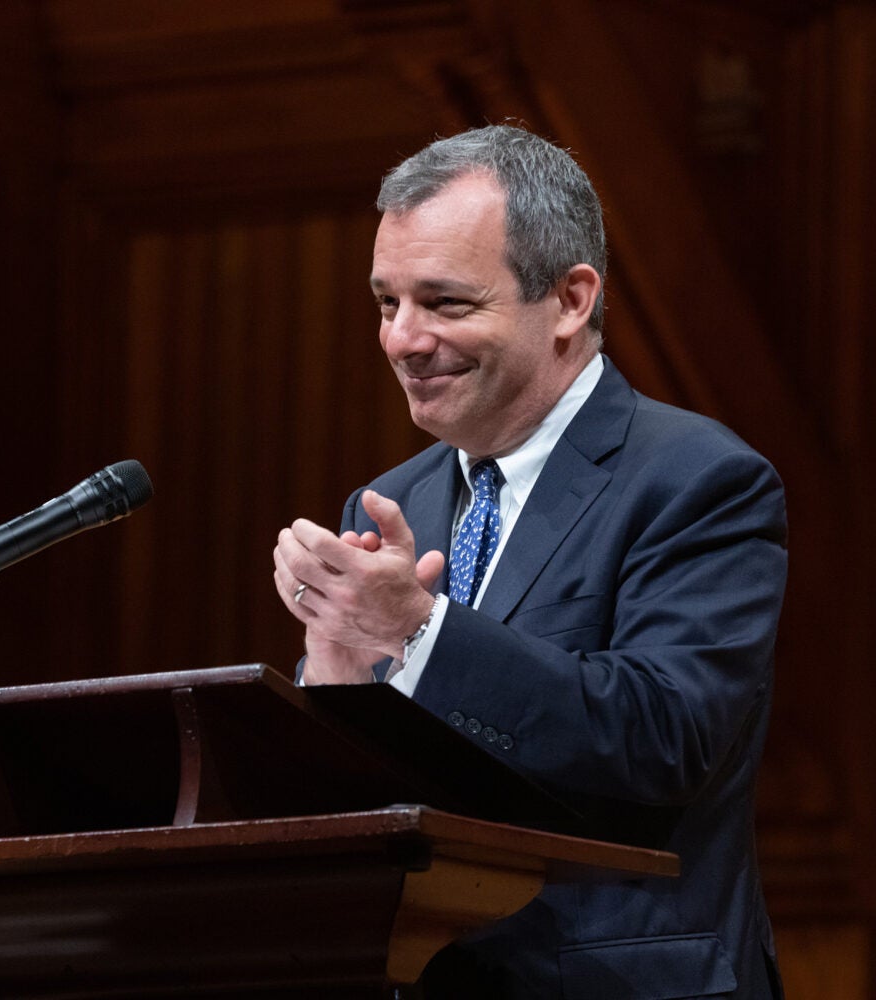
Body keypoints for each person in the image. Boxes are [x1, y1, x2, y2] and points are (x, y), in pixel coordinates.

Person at [273, 124, 787, 999]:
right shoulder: (388, 503)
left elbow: (665, 736)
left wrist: (418, 630)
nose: (402, 339)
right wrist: (333, 684)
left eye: (445, 302)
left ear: (572, 299)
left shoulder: (700, 480)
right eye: (386, 302)